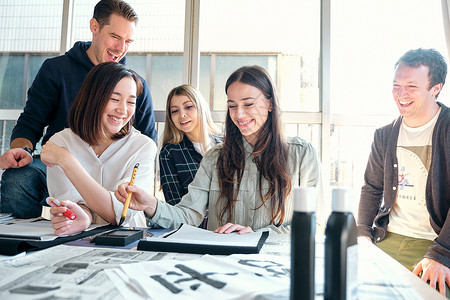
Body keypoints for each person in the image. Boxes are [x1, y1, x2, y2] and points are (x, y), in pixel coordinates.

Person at [115, 65, 321, 234]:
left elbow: (314, 224)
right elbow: (189, 214)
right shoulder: (215, 157)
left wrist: (259, 235)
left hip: (274, 268)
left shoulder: (302, 154)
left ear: (269, 103)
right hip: (222, 265)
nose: (239, 114)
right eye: (232, 106)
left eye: (248, 104)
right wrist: (150, 204)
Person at [0, 0, 157, 219]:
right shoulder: (56, 70)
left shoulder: (134, 84)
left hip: (112, 172)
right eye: (115, 37)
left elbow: (147, 143)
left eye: (128, 41)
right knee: (16, 184)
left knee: (120, 206)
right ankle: (51, 227)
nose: (121, 48)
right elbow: (30, 122)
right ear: (95, 27)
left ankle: (84, 216)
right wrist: (22, 151)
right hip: (56, 166)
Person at [357, 48, 450, 297]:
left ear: (436, 88)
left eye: (411, 86)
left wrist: (442, 254)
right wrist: (363, 234)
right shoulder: (384, 135)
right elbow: (372, 188)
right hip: (387, 237)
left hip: (437, 241)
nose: (401, 94)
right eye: (396, 85)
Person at [41, 62, 156, 235]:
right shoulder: (61, 142)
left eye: (131, 102)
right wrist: (84, 216)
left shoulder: (143, 146)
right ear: (91, 98)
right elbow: (73, 205)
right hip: (75, 241)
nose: (123, 110)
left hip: (129, 241)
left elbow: (118, 215)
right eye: (114, 99)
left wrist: (67, 161)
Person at [159, 84, 221, 206]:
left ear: (201, 107)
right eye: (175, 111)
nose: (182, 114)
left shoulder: (228, 144)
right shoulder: (169, 153)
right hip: (193, 224)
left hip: (232, 223)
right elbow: (174, 205)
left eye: (188, 107)